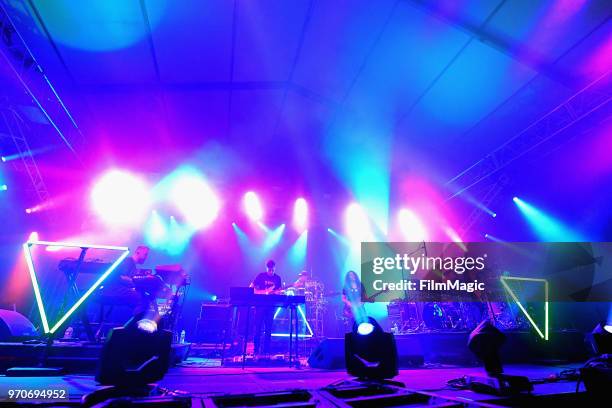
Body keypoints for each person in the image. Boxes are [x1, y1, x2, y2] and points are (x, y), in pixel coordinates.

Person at [250, 259, 282, 356]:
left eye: (272, 270)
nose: (271, 272)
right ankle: (256, 350)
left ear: (275, 268)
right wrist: (263, 292)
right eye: (269, 270)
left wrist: (278, 293)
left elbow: (279, 291)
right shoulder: (261, 276)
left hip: (270, 306)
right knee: (257, 328)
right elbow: (251, 287)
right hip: (259, 306)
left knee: (268, 329)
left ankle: (266, 351)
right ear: (266, 268)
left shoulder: (278, 278)